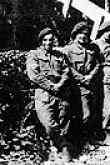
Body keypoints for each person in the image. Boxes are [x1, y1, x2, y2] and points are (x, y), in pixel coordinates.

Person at [26, 28, 72, 161]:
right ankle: (63, 145)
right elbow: (34, 75)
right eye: (45, 40)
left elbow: (66, 72)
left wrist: (60, 85)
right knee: (48, 124)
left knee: (64, 120)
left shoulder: (60, 55)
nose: (48, 42)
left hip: (61, 92)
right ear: (41, 41)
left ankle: (57, 148)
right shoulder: (34, 54)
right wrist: (51, 86)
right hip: (43, 93)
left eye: (51, 40)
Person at [60, 21, 101, 144]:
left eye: (86, 34)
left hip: (90, 85)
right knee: (78, 114)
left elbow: (98, 64)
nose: (83, 36)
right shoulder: (68, 49)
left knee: (89, 114)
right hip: (74, 86)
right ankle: (79, 141)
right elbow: (66, 67)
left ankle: (88, 139)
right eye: (80, 34)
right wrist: (81, 78)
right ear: (75, 35)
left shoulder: (92, 48)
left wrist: (90, 76)